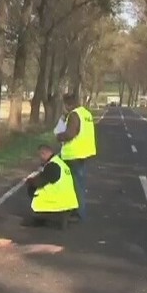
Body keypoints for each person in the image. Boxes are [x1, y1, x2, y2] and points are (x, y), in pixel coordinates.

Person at [56, 93, 97, 222]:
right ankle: (77, 210)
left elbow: (70, 133)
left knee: (75, 185)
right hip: (84, 153)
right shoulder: (86, 113)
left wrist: (58, 136)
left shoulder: (74, 115)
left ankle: (78, 213)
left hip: (73, 154)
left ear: (68, 104)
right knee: (79, 183)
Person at [22, 144, 79, 229]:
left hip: (57, 204)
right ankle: (61, 217)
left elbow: (38, 182)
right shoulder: (60, 163)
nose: (39, 159)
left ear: (43, 154)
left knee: (32, 188)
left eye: (39, 156)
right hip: (69, 204)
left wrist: (28, 180)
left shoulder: (52, 166)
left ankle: (52, 218)